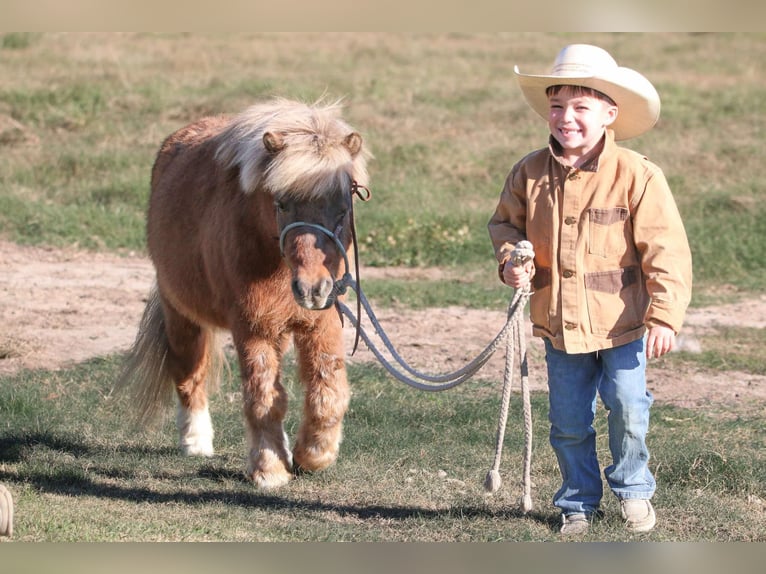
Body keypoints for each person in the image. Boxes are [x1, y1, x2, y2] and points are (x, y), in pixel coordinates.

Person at [487, 44, 692, 536]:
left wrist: (663, 315)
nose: (567, 118)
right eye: (558, 106)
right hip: (559, 325)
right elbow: (505, 227)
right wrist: (513, 261)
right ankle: (577, 500)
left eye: (581, 107)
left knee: (627, 407)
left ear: (608, 113)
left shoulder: (638, 174)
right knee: (568, 421)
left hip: (623, 324)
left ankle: (633, 487)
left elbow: (665, 248)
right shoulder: (529, 172)